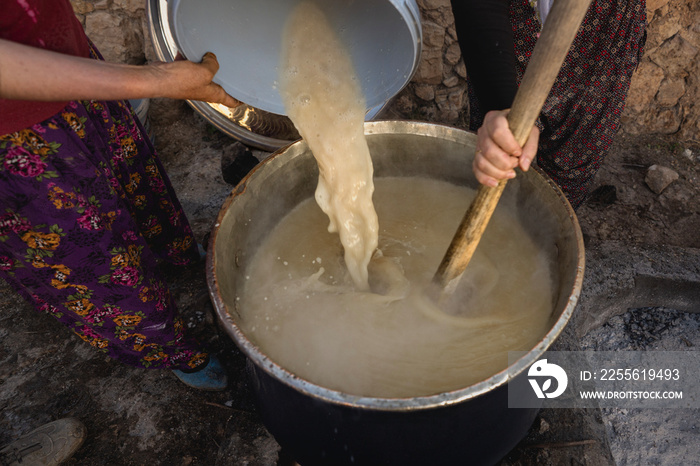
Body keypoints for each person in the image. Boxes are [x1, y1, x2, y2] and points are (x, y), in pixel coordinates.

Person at [0, 0, 240, 390]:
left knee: (129, 184)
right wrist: (157, 80)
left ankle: (174, 254)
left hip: (75, 73)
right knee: (88, 256)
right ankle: (170, 346)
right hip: (12, 140)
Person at [450, 0, 647, 209]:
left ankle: (548, 237)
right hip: (509, 32)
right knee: (498, 151)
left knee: (571, 171)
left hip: (602, 39)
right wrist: (501, 104)